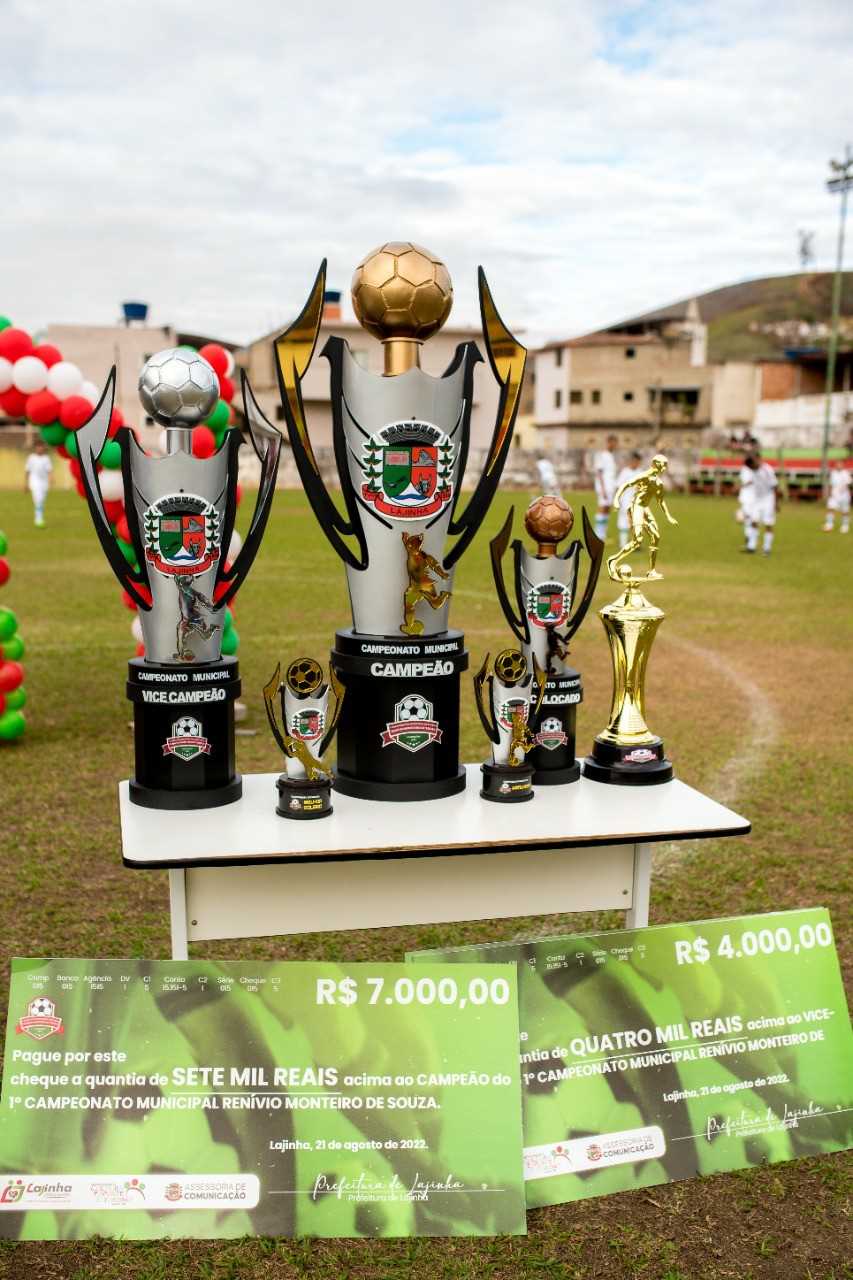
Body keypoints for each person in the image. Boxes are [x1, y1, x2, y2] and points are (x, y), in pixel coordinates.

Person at [741, 453, 778, 556]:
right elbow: (752, 481)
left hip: (768, 499)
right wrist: (742, 486)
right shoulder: (753, 470)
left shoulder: (767, 470)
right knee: (754, 521)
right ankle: (751, 546)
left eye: (751, 466)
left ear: (755, 462)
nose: (751, 468)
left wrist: (776, 503)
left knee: (768, 524)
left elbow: (775, 486)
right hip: (757, 500)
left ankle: (767, 549)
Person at [614, 450, 644, 548]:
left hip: (637, 502)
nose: (637, 463)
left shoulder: (640, 472)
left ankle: (635, 544)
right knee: (624, 522)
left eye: (638, 462)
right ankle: (623, 544)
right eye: (635, 461)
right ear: (632, 461)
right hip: (625, 501)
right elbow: (618, 487)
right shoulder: (625, 472)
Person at [593, 434, 619, 542]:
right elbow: (599, 472)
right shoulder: (602, 455)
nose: (616, 445)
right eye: (614, 443)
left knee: (607, 509)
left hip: (610, 486)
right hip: (604, 487)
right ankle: (597, 535)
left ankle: (602, 535)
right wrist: (602, 488)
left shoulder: (611, 456)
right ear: (609, 442)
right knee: (602, 508)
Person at [24, 439, 53, 528]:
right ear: (35, 448)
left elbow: (49, 471)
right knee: (38, 499)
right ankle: (38, 519)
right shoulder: (31, 458)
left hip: (44, 482)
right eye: (38, 447)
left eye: (41, 447)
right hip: (34, 481)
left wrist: (51, 478)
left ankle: (39, 517)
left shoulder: (46, 458)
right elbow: (27, 471)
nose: (40, 449)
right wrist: (25, 484)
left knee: (41, 501)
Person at [823, 460, 851, 534]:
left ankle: (845, 526)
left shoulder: (845, 473)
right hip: (834, 495)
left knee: (845, 511)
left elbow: (848, 484)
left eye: (840, 464)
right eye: (837, 464)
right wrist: (830, 493)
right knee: (830, 508)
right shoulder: (833, 473)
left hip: (844, 495)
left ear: (842, 465)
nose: (838, 466)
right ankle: (829, 524)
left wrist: (843, 489)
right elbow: (831, 484)